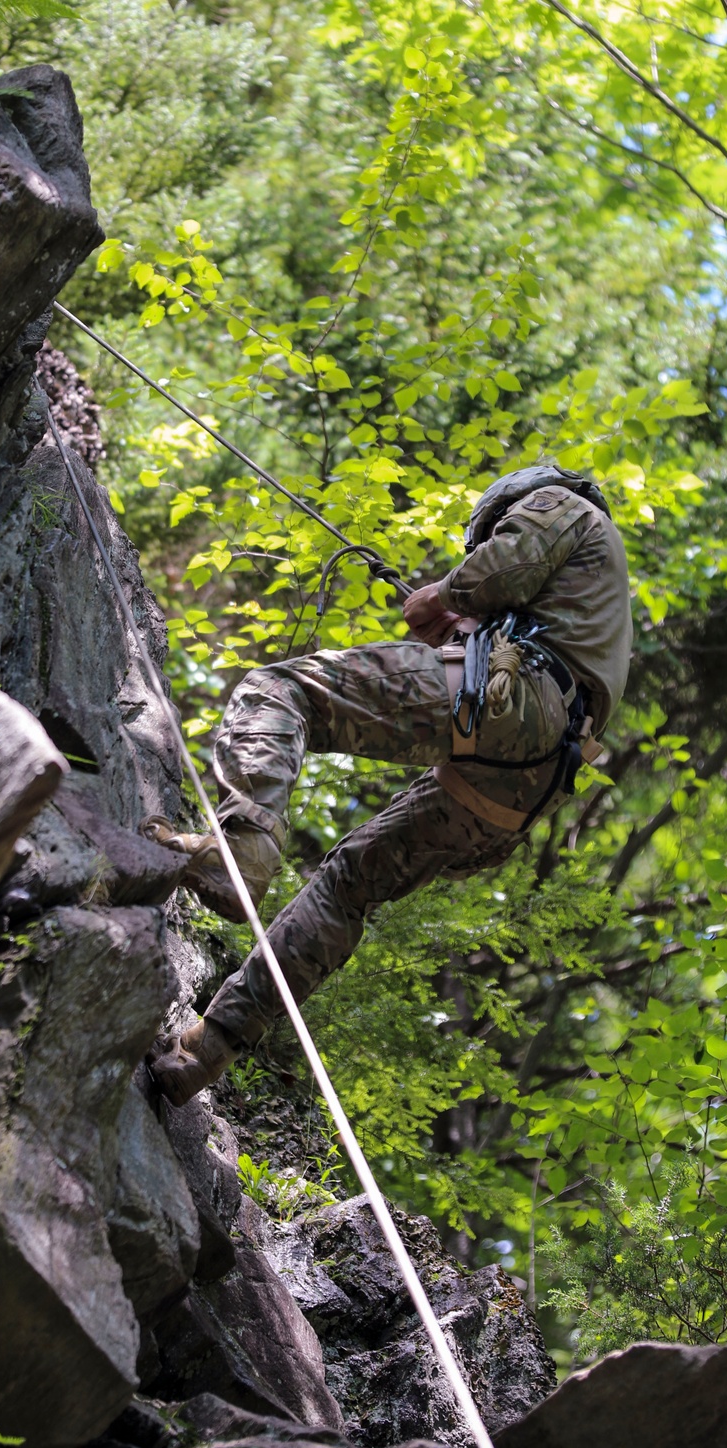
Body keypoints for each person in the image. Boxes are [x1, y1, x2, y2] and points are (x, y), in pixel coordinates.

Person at [146, 465, 632, 1106]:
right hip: (525, 786)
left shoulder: (561, 503)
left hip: (514, 700)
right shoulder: (594, 607)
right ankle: (205, 1051)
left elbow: (502, 569)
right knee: (349, 883)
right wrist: (465, 630)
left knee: (281, 690)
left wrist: (444, 596)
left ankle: (242, 849)